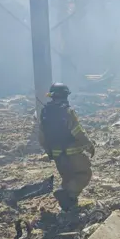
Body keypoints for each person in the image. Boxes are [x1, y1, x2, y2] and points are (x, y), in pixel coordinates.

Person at [39, 83, 95, 211]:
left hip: (57, 154)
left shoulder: (45, 112)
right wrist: (89, 145)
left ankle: (69, 207)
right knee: (84, 174)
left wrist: (49, 151)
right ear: (65, 95)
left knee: (67, 177)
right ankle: (66, 193)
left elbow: (41, 136)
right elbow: (78, 132)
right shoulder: (67, 112)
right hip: (73, 153)